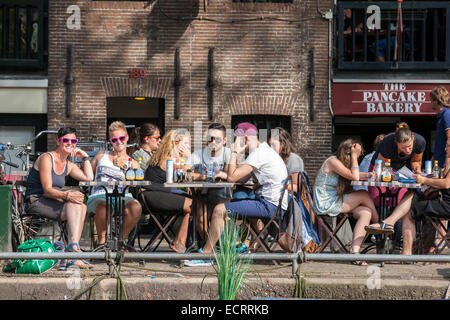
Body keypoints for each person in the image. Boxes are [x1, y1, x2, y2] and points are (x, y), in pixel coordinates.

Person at [183, 122, 289, 266]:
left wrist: (234, 152)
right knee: (224, 206)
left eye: (235, 140)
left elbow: (233, 178)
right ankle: (227, 246)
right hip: (274, 204)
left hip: (269, 206)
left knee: (220, 209)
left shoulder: (259, 153)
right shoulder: (263, 151)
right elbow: (240, 178)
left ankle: (206, 255)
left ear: (244, 139)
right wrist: (223, 174)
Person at [24, 127, 94, 268]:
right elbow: (47, 190)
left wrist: (85, 157)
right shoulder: (46, 158)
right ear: (58, 141)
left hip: (53, 201)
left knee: (82, 205)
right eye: (66, 140)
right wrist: (68, 195)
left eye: (73, 141)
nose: (70, 143)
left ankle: (73, 249)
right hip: (36, 200)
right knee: (74, 203)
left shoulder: (68, 164)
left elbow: (89, 178)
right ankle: (74, 252)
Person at [364, 142, 450, 256]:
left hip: (446, 205)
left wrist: (424, 180)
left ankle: (405, 251)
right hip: (444, 202)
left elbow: (446, 184)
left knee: (409, 210)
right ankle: (390, 225)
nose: (444, 148)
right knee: (412, 195)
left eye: (448, 145)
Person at [313, 138, 379, 265]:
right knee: (364, 195)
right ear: (349, 153)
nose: (358, 158)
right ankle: (379, 226)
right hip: (325, 202)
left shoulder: (340, 164)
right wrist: (354, 156)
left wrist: (368, 175)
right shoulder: (332, 161)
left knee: (366, 211)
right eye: (357, 155)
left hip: (334, 200)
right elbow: (354, 176)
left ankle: (355, 252)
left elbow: (354, 174)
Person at [87, 121, 142, 249]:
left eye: (122, 138)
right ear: (110, 141)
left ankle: (121, 241)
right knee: (103, 207)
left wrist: (123, 167)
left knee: (136, 207)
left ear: (127, 137)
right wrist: (84, 159)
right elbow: (88, 175)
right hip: (99, 195)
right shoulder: (101, 155)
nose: (119, 142)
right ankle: (102, 243)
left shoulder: (133, 163)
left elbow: (136, 182)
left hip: (123, 196)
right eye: (114, 139)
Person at [140, 129, 193, 253]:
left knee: (196, 203)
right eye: (185, 143)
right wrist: (189, 157)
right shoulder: (168, 159)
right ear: (175, 144)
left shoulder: (164, 157)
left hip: (155, 194)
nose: (188, 146)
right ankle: (179, 243)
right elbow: (188, 172)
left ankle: (181, 241)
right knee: (192, 205)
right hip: (152, 196)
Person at [187, 122, 232, 240]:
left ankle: (221, 248)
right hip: (202, 194)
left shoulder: (228, 153)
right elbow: (185, 171)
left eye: (217, 139)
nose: (213, 142)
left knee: (227, 218)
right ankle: (211, 250)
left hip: (224, 194)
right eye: (209, 139)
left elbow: (230, 174)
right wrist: (204, 176)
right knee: (201, 219)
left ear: (224, 140)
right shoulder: (198, 154)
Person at [368, 122, 426, 208]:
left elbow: (416, 161)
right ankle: (380, 219)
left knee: (402, 195)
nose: (407, 150)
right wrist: (392, 175)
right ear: (396, 143)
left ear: (413, 139)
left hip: (399, 167)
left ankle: (400, 219)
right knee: (379, 199)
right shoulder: (388, 141)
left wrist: (417, 170)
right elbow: (380, 164)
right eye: (403, 147)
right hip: (379, 167)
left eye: (409, 146)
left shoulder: (420, 141)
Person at [268, 127, 304, 192]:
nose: (271, 148)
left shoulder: (293, 159)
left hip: (290, 199)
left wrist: (276, 184)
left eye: (274, 144)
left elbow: (297, 188)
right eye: (270, 145)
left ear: (283, 143)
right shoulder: (276, 158)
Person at [430, 86, 450, 169]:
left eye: (431, 99)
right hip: (439, 163)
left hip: (444, 165)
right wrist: (433, 159)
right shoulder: (442, 115)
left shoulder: (446, 114)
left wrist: (447, 164)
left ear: (436, 100)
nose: (430, 102)